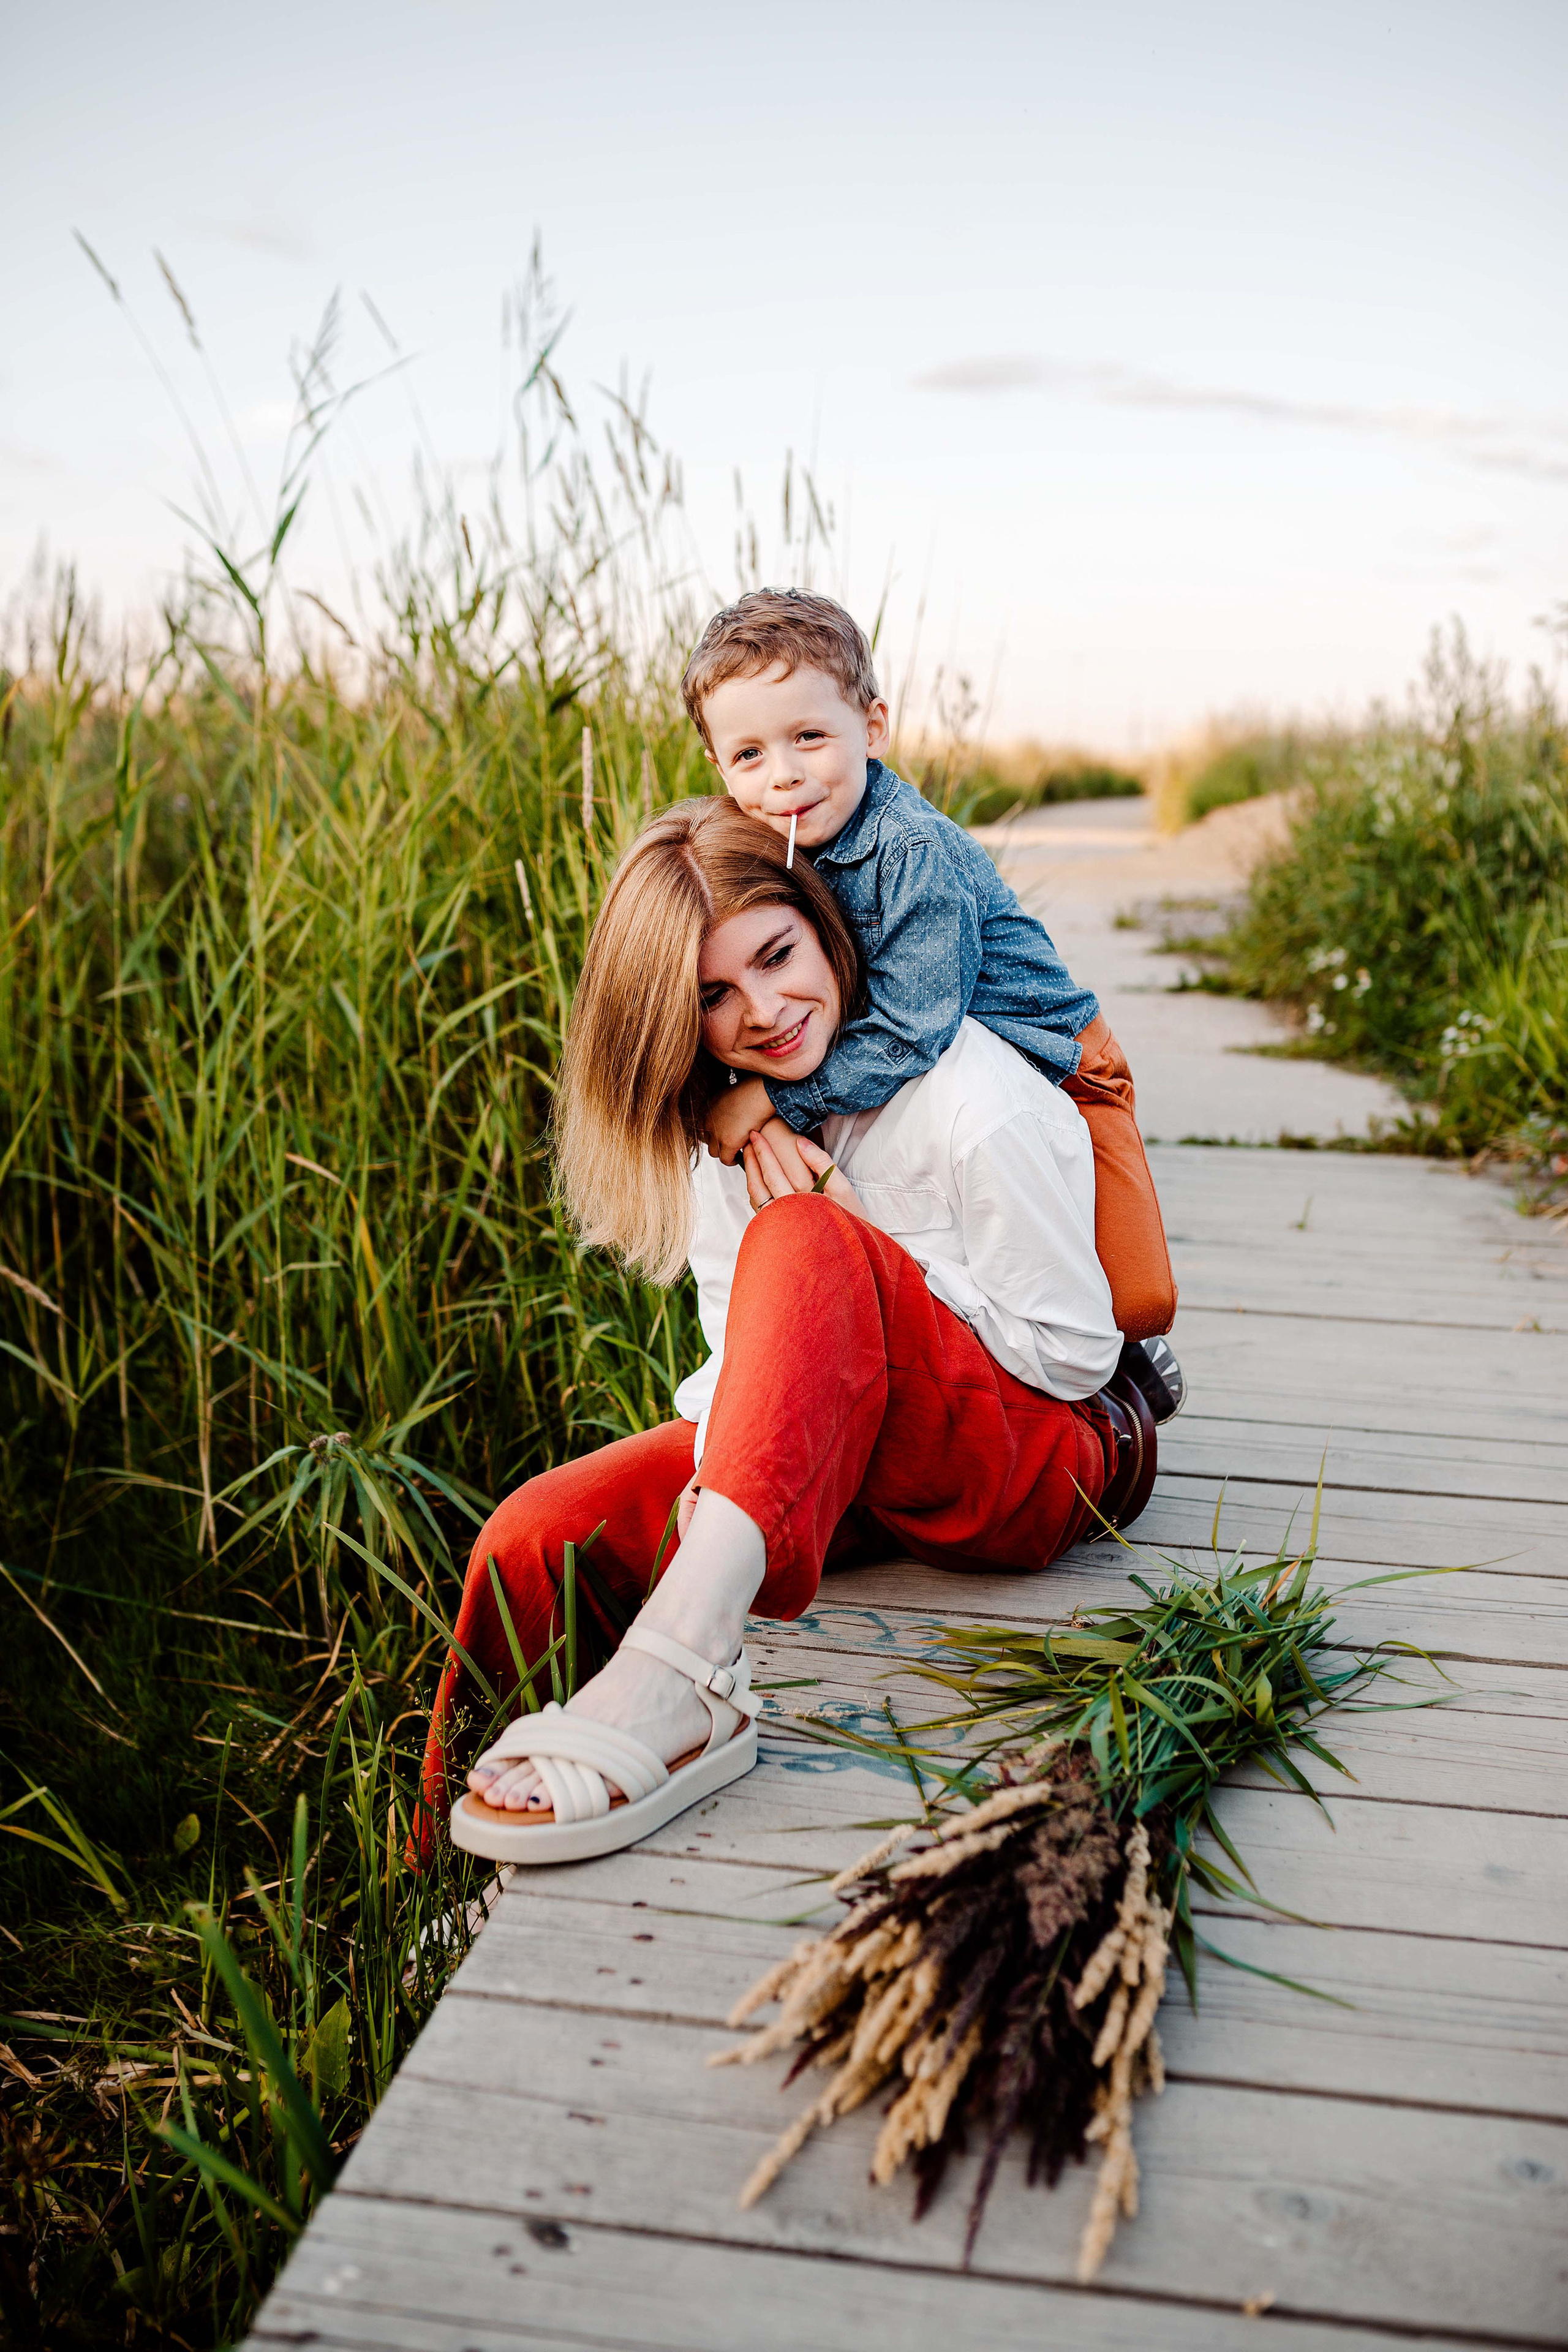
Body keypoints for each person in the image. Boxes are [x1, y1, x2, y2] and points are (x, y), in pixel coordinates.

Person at [415, 799, 1158, 1870]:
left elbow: (1075, 1356)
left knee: (811, 1237)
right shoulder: (735, 1129)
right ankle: (443, 1871)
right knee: (541, 1531)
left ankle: (683, 1676)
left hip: (1036, 1466)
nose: (763, 1011)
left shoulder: (969, 1095)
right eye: (714, 996)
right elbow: (749, 1352)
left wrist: (871, 1260)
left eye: (778, 955)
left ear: (827, 928)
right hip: (858, 1473)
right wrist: (721, 1477)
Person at [684, 587, 1183, 1415]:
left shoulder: (909, 851)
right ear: (720, 767)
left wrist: (774, 1094)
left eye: (810, 736)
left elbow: (915, 1029)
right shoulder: (779, 843)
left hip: (1058, 1055)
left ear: (873, 728)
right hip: (940, 1051)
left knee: (1126, 1278)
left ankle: (1126, 1367)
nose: (783, 776)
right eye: (749, 756)